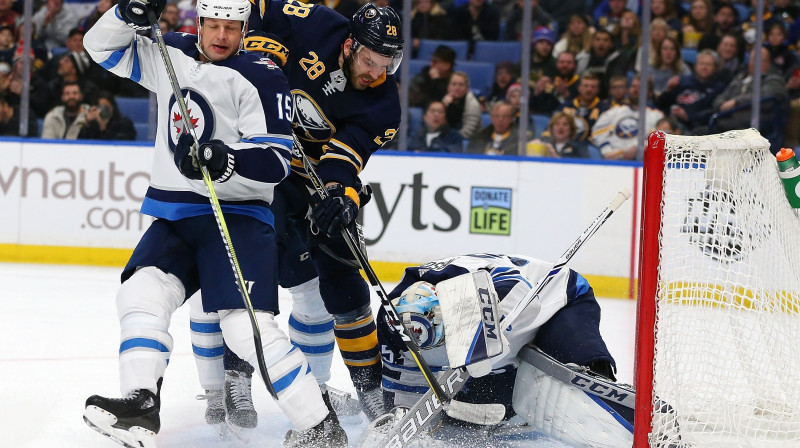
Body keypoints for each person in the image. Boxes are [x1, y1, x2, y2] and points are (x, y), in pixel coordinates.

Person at [81, 1, 347, 448]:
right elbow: (99, 48)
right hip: (177, 214)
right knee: (141, 292)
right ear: (199, 23)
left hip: (237, 217)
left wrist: (224, 158)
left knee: (246, 328)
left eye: (232, 27)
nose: (222, 36)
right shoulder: (171, 54)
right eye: (214, 25)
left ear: (243, 28)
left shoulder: (263, 77)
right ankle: (141, 402)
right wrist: (126, 13)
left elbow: (277, 159)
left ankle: (321, 427)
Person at [241, 0, 404, 428]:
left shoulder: (385, 105)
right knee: (248, 268)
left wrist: (341, 196)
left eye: (386, 64)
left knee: (344, 273)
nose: (376, 73)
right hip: (265, 162)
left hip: (312, 179)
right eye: (370, 60)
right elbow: (257, 7)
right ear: (350, 45)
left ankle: (370, 389)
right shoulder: (313, 21)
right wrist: (263, 60)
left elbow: (343, 160)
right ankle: (233, 381)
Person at [375, 253, 630, 448]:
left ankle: (625, 413)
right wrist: (402, 417)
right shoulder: (392, 323)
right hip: (503, 349)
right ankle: (515, 415)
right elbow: (404, 396)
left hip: (558, 304)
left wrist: (487, 332)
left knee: (574, 383)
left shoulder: (468, 282)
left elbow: (523, 297)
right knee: (464, 412)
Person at [592, 75, 664, 160]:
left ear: (650, 93)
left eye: (640, 87)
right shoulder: (613, 111)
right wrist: (607, 151)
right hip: (613, 160)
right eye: (633, 86)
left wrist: (640, 148)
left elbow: (661, 140)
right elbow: (597, 133)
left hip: (643, 162)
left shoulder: (657, 115)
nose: (635, 90)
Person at [442, 71, 481, 139]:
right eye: (454, 84)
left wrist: (452, 139)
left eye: (461, 85)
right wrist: (444, 106)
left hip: (468, 141)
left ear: (467, 88)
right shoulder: (444, 101)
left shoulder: (473, 104)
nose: (457, 88)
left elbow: (468, 132)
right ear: (448, 87)